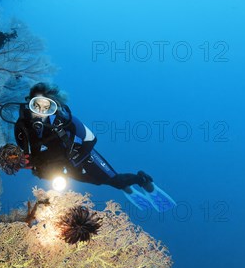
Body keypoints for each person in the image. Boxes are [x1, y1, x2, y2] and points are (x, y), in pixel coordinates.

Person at [14, 82, 154, 192]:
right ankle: (118, 183)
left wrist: (76, 159)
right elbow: (29, 155)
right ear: (29, 103)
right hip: (65, 166)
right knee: (97, 182)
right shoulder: (22, 129)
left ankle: (140, 178)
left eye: (47, 108)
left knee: (113, 180)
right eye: (36, 106)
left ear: (54, 109)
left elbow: (91, 138)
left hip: (83, 155)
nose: (40, 112)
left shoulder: (66, 121)